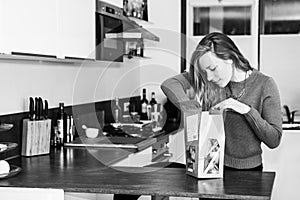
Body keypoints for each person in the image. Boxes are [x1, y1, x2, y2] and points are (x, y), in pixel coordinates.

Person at [161, 32, 282, 171]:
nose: (209, 78)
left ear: (230, 58)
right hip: (212, 167)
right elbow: (169, 84)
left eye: (213, 69)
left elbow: (274, 140)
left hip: (250, 171)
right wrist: (187, 106)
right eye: (205, 72)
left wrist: (246, 110)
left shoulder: (264, 84)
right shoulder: (210, 80)